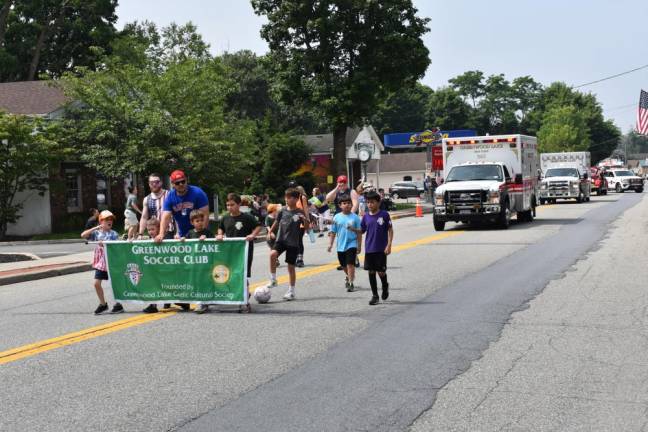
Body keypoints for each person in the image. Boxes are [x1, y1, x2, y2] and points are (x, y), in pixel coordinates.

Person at [214, 193, 262, 313]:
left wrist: (253, 235)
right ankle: (239, 296)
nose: (230, 207)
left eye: (232, 205)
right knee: (232, 274)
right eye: (228, 205)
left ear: (239, 204)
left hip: (244, 251)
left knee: (242, 274)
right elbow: (221, 228)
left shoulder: (247, 217)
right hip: (230, 251)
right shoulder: (225, 218)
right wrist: (220, 234)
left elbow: (258, 226)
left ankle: (244, 302)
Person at [265, 188, 310, 300]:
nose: (286, 199)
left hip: (293, 243)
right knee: (272, 255)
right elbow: (276, 222)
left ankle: (291, 291)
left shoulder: (300, 212)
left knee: (290, 267)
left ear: (295, 199)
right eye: (286, 197)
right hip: (281, 240)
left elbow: (307, 227)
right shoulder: (282, 210)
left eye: (289, 197)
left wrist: (304, 220)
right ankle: (273, 279)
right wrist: (270, 232)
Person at [81, 210, 123, 315]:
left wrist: (106, 244)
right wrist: (96, 228)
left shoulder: (114, 234)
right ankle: (103, 304)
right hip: (101, 263)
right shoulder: (96, 233)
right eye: (107, 220)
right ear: (101, 221)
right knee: (96, 283)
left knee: (114, 284)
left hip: (111, 261)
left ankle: (118, 304)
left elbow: (118, 247)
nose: (110, 221)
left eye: (111, 220)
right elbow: (83, 235)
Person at [356, 190, 393, 305]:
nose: (369, 205)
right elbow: (362, 231)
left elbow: (390, 230)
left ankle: (385, 285)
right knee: (371, 272)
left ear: (378, 202)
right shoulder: (366, 217)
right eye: (368, 202)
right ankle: (375, 295)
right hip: (370, 249)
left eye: (372, 202)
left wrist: (389, 245)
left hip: (381, 249)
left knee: (381, 272)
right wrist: (353, 229)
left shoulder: (384, 215)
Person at [155, 170, 209, 242]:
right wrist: (161, 234)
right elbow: (165, 217)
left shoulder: (198, 193)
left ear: (186, 180)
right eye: (177, 183)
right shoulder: (170, 197)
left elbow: (205, 214)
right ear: (173, 184)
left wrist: (203, 233)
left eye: (183, 181)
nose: (181, 184)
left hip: (200, 234)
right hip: (183, 235)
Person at [327, 195, 362, 292]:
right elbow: (333, 232)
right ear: (340, 205)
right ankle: (348, 275)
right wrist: (330, 244)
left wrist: (359, 246)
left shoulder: (355, 218)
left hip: (352, 244)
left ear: (351, 205)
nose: (347, 205)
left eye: (349, 203)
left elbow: (359, 232)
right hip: (341, 246)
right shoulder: (337, 217)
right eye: (344, 203)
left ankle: (351, 283)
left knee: (350, 264)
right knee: (343, 265)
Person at [138, 173, 174, 240]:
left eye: (157, 182)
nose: (154, 184)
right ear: (149, 184)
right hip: (154, 234)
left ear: (161, 183)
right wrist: (140, 234)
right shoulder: (146, 199)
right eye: (151, 183)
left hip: (168, 232)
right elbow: (144, 217)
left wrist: (178, 232)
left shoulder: (169, 195)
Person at [141, 217, 163, 314]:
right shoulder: (149, 239)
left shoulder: (161, 238)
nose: (150, 232)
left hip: (162, 267)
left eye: (152, 229)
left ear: (158, 228)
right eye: (149, 230)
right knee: (153, 285)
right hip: (153, 267)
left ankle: (180, 301)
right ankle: (153, 305)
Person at [291, 183, 310, 268]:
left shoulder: (302, 197)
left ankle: (300, 259)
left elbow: (305, 209)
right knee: (294, 241)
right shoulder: (292, 198)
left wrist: (308, 221)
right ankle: (295, 258)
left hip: (301, 220)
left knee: (299, 240)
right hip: (293, 220)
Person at [265, 203, 281, 268]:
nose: (277, 211)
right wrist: (271, 233)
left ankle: (275, 259)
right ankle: (275, 260)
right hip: (270, 236)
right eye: (276, 210)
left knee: (277, 248)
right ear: (273, 210)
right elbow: (267, 226)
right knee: (273, 248)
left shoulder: (276, 217)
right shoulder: (268, 217)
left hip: (277, 235)